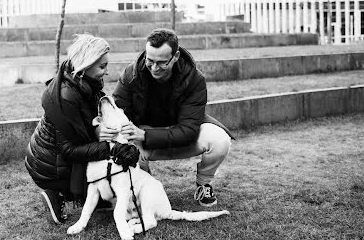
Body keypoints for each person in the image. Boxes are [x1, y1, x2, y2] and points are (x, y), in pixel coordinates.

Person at [113, 28, 234, 207]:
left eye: (162, 63)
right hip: (145, 132)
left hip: (178, 132)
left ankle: (204, 183)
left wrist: (145, 136)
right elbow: (119, 115)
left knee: (220, 140)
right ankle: (143, 190)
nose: (154, 68)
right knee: (127, 144)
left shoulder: (194, 79)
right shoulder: (131, 75)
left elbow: (188, 131)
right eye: (150, 60)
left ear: (176, 56)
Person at [24, 34, 118, 224]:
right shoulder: (67, 96)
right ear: (86, 65)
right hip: (49, 167)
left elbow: (87, 125)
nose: (106, 72)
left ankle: (95, 195)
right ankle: (57, 194)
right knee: (112, 152)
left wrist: (99, 131)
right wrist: (112, 149)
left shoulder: (84, 83)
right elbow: (69, 150)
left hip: (53, 157)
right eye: (102, 66)